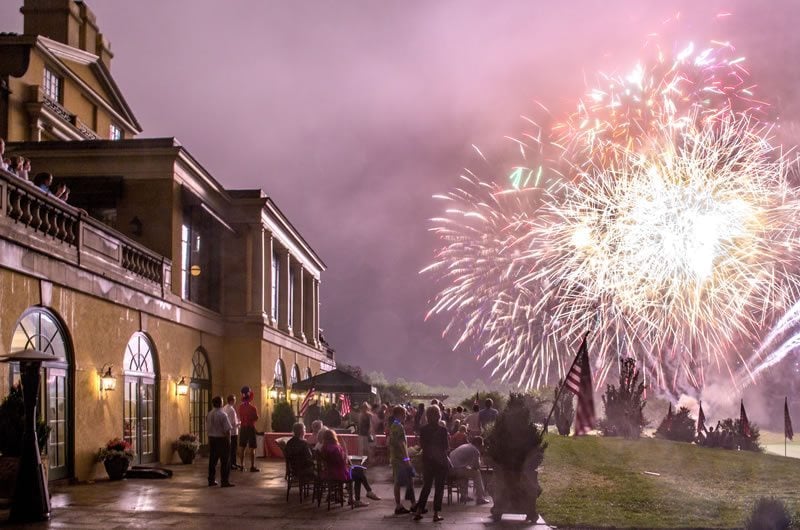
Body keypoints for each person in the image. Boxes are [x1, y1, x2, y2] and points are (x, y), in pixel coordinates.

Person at [319, 429, 380, 507]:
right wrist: (344, 450)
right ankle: (361, 496)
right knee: (359, 473)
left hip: (330, 472)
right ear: (333, 437)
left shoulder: (324, 448)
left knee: (358, 470)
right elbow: (342, 462)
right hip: (339, 473)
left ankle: (365, 494)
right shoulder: (336, 448)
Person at [414, 406, 449, 522]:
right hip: (440, 463)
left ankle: (419, 511)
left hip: (427, 461)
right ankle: (436, 514)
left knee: (426, 486)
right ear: (439, 415)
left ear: (427, 416)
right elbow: (446, 448)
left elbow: (422, 446)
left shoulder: (423, 430)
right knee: (439, 488)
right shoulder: (443, 430)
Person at [389, 405, 416, 514]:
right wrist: (406, 458)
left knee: (398, 482)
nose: (405, 416)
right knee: (409, 480)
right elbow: (401, 444)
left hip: (395, 457)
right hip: (401, 458)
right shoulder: (399, 427)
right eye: (404, 414)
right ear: (399, 415)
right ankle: (413, 504)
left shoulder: (393, 426)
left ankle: (399, 505)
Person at [449, 437, 489, 505]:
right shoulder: (475, 450)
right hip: (458, 470)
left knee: (465, 472)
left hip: (450, 470)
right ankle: (480, 498)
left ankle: (464, 496)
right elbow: (477, 467)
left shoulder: (465, 445)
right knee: (477, 474)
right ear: (477, 443)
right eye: (481, 444)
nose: (482, 446)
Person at [206, 395, 234, 487]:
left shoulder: (209, 414)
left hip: (212, 439)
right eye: (222, 401)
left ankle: (211, 480)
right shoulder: (223, 415)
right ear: (220, 403)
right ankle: (224, 481)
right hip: (222, 439)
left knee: (212, 461)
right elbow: (227, 430)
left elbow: (208, 428)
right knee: (225, 461)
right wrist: (229, 441)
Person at [237, 385, 260, 472]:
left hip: (243, 428)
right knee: (252, 447)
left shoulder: (240, 407)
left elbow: (240, 417)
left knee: (242, 447)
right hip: (250, 428)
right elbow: (256, 418)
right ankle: (252, 466)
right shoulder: (253, 408)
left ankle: (242, 465)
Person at [223, 394, 241, 471]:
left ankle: (230, 463)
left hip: (225, 432)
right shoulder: (232, 410)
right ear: (232, 400)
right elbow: (233, 423)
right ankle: (232, 463)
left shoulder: (224, 408)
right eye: (234, 399)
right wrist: (240, 422)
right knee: (233, 449)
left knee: (228, 448)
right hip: (233, 432)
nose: (235, 401)